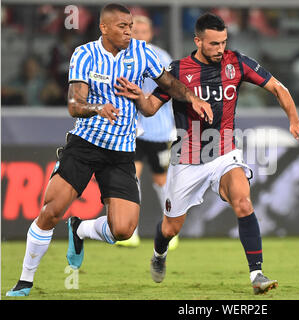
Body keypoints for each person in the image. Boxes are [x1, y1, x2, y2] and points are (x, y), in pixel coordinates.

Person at [5, 3, 212, 297]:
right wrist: (97, 108)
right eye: (122, 27)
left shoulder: (142, 53)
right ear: (104, 28)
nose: (129, 32)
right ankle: (25, 280)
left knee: (124, 230)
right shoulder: (85, 54)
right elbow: (74, 105)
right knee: (51, 212)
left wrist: (192, 99)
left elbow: (168, 84)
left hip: (121, 151)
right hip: (85, 144)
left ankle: (80, 229)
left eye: (131, 26)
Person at [116, 12, 299, 295]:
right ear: (197, 40)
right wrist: (137, 97)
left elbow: (277, 88)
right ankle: (159, 254)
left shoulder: (238, 62)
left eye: (223, 42)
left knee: (243, 201)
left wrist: (294, 120)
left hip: (224, 153)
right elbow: (149, 108)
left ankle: (256, 273)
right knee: (170, 228)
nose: (220, 49)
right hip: (187, 159)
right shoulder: (178, 70)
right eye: (213, 44)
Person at [115, 15, 178, 249]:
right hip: (131, 130)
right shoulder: (119, 56)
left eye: (143, 30)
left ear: (150, 33)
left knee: (162, 181)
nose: (139, 34)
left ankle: (169, 229)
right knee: (132, 177)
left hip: (159, 130)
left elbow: (171, 88)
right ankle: (130, 231)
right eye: (135, 30)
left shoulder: (161, 57)